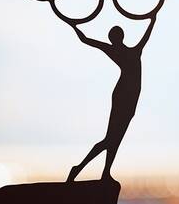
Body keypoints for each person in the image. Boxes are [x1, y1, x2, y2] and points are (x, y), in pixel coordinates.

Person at [66, 16, 156, 181]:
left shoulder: (124, 50)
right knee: (110, 138)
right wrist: (152, 19)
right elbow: (86, 40)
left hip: (129, 97)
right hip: (123, 96)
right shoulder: (132, 51)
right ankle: (79, 168)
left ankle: (105, 172)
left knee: (116, 138)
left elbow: (85, 39)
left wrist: (74, 25)